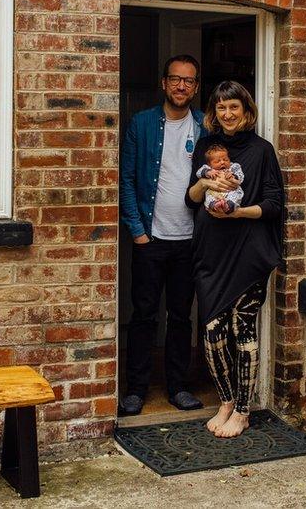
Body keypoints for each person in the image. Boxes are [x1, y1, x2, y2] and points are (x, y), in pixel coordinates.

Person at [185, 81, 285, 438]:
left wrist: (239, 212)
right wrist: (207, 186)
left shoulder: (262, 151)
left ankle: (242, 410)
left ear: (246, 110)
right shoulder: (206, 148)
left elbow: (275, 205)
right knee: (212, 328)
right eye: (222, 108)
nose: (227, 115)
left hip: (250, 252)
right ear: (214, 112)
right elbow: (191, 197)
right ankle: (225, 399)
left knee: (243, 328)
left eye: (234, 108)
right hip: (211, 251)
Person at [119, 55, 207, 416]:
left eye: (188, 81)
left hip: (190, 240)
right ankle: (136, 389)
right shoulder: (141, 124)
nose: (181, 86)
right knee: (143, 315)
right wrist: (138, 233)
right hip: (151, 240)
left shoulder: (205, 126)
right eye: (175, 79)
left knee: (181, 316)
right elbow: (124, 178)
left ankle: (178, 386)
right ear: (164, 83)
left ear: (195, 87)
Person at [194, 144, 245, 214]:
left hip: (231, 190)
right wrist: (207, 172)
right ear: (209, 164)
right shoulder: (208, 168)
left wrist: (233, 176)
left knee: (236, 196)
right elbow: (198, 173)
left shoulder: (233, 167)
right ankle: (214, 205)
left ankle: (228, 206)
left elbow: (241, 176)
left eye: (225, 159)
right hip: (213, 192)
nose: (222, 162)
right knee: (209, 197)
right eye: (217, 161)